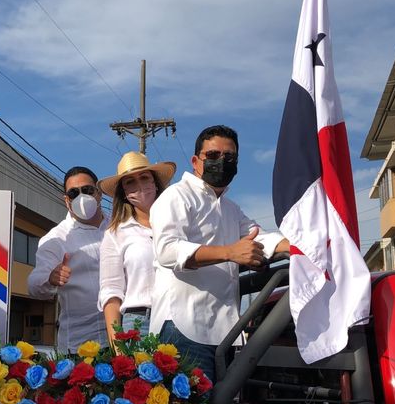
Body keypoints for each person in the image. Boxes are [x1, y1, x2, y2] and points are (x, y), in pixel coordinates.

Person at [150, 125, 290, 382]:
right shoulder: (176, 197)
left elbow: (260, 237)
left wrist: (299, 248)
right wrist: (229, 253)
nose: (221, 162)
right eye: (213, 156)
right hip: (183, 328)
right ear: (196, 161)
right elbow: (167, 250)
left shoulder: (231, 208)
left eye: (229, 157)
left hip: (223, 332)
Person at [97, 152, 175, 346]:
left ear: (155, 182)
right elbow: (111, 294)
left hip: (181, 318)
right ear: (123, 192)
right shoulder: (115, 234)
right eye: (129, 181)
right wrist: (118, 347)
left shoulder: (179, 224)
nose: (139, 185)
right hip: (139, 323)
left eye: (144, 177)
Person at [28, 166, 108, 353]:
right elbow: (33, 285)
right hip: (79, 347)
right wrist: (50, 278)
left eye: (87, 190)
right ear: (67, 200)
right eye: (74, 193)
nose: (81, 197)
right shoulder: (57, 239)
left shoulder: (117, 225)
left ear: (99, 193)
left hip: (123, 338)